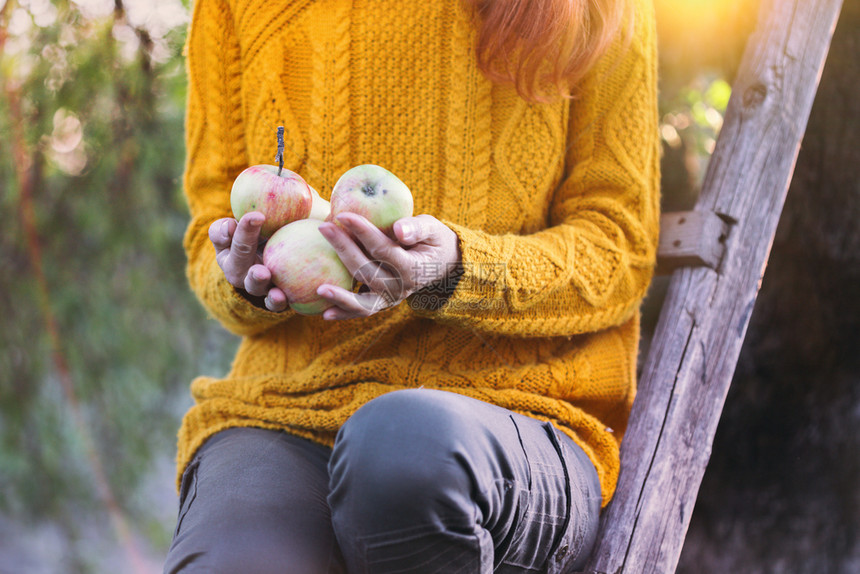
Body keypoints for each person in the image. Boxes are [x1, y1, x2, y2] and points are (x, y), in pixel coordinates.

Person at [164, 0, 660, 571]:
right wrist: (245, 278)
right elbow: (210, 233)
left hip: (516, 414)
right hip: (291, 409)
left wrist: (457, 269)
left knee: (400, 450)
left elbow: (617, 247)